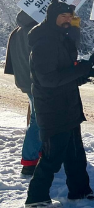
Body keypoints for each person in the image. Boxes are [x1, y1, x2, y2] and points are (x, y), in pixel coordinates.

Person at [25, 0, 94, 208]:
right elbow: (49, 80)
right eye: (63, 16)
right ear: (52, 16)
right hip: (53, 108)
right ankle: (35, 198)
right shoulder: (44, 42)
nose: (67, 20)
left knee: (75, 155)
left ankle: (79, 190)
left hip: (68, 106)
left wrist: (88, 72)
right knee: (52, 157)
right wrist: (84, 66)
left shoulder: (61, 38)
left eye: (69, 16)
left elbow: (66, 74)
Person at [4, 10, 40, 177]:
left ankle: (35, 155)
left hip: (25, 82)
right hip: (38, 83)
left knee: (36, 118)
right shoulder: (37, 31)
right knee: (37, 121)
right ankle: (29, 161)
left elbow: (10, 60)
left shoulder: (16, 32)